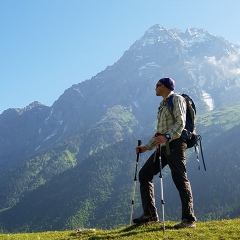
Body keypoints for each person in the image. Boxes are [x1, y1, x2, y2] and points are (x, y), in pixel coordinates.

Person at [133, 77, 197, 229]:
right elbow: (160, 133)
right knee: (144, 174)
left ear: (165, 86)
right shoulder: (163, 104)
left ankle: (189, 219)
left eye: (157, 85)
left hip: (175, 145)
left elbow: (180, 123)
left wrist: (167, 136)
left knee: (180, 180)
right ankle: (150, 215)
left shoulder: (177, 99)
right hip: (164, 146)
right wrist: (146, 147)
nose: (155, 88)